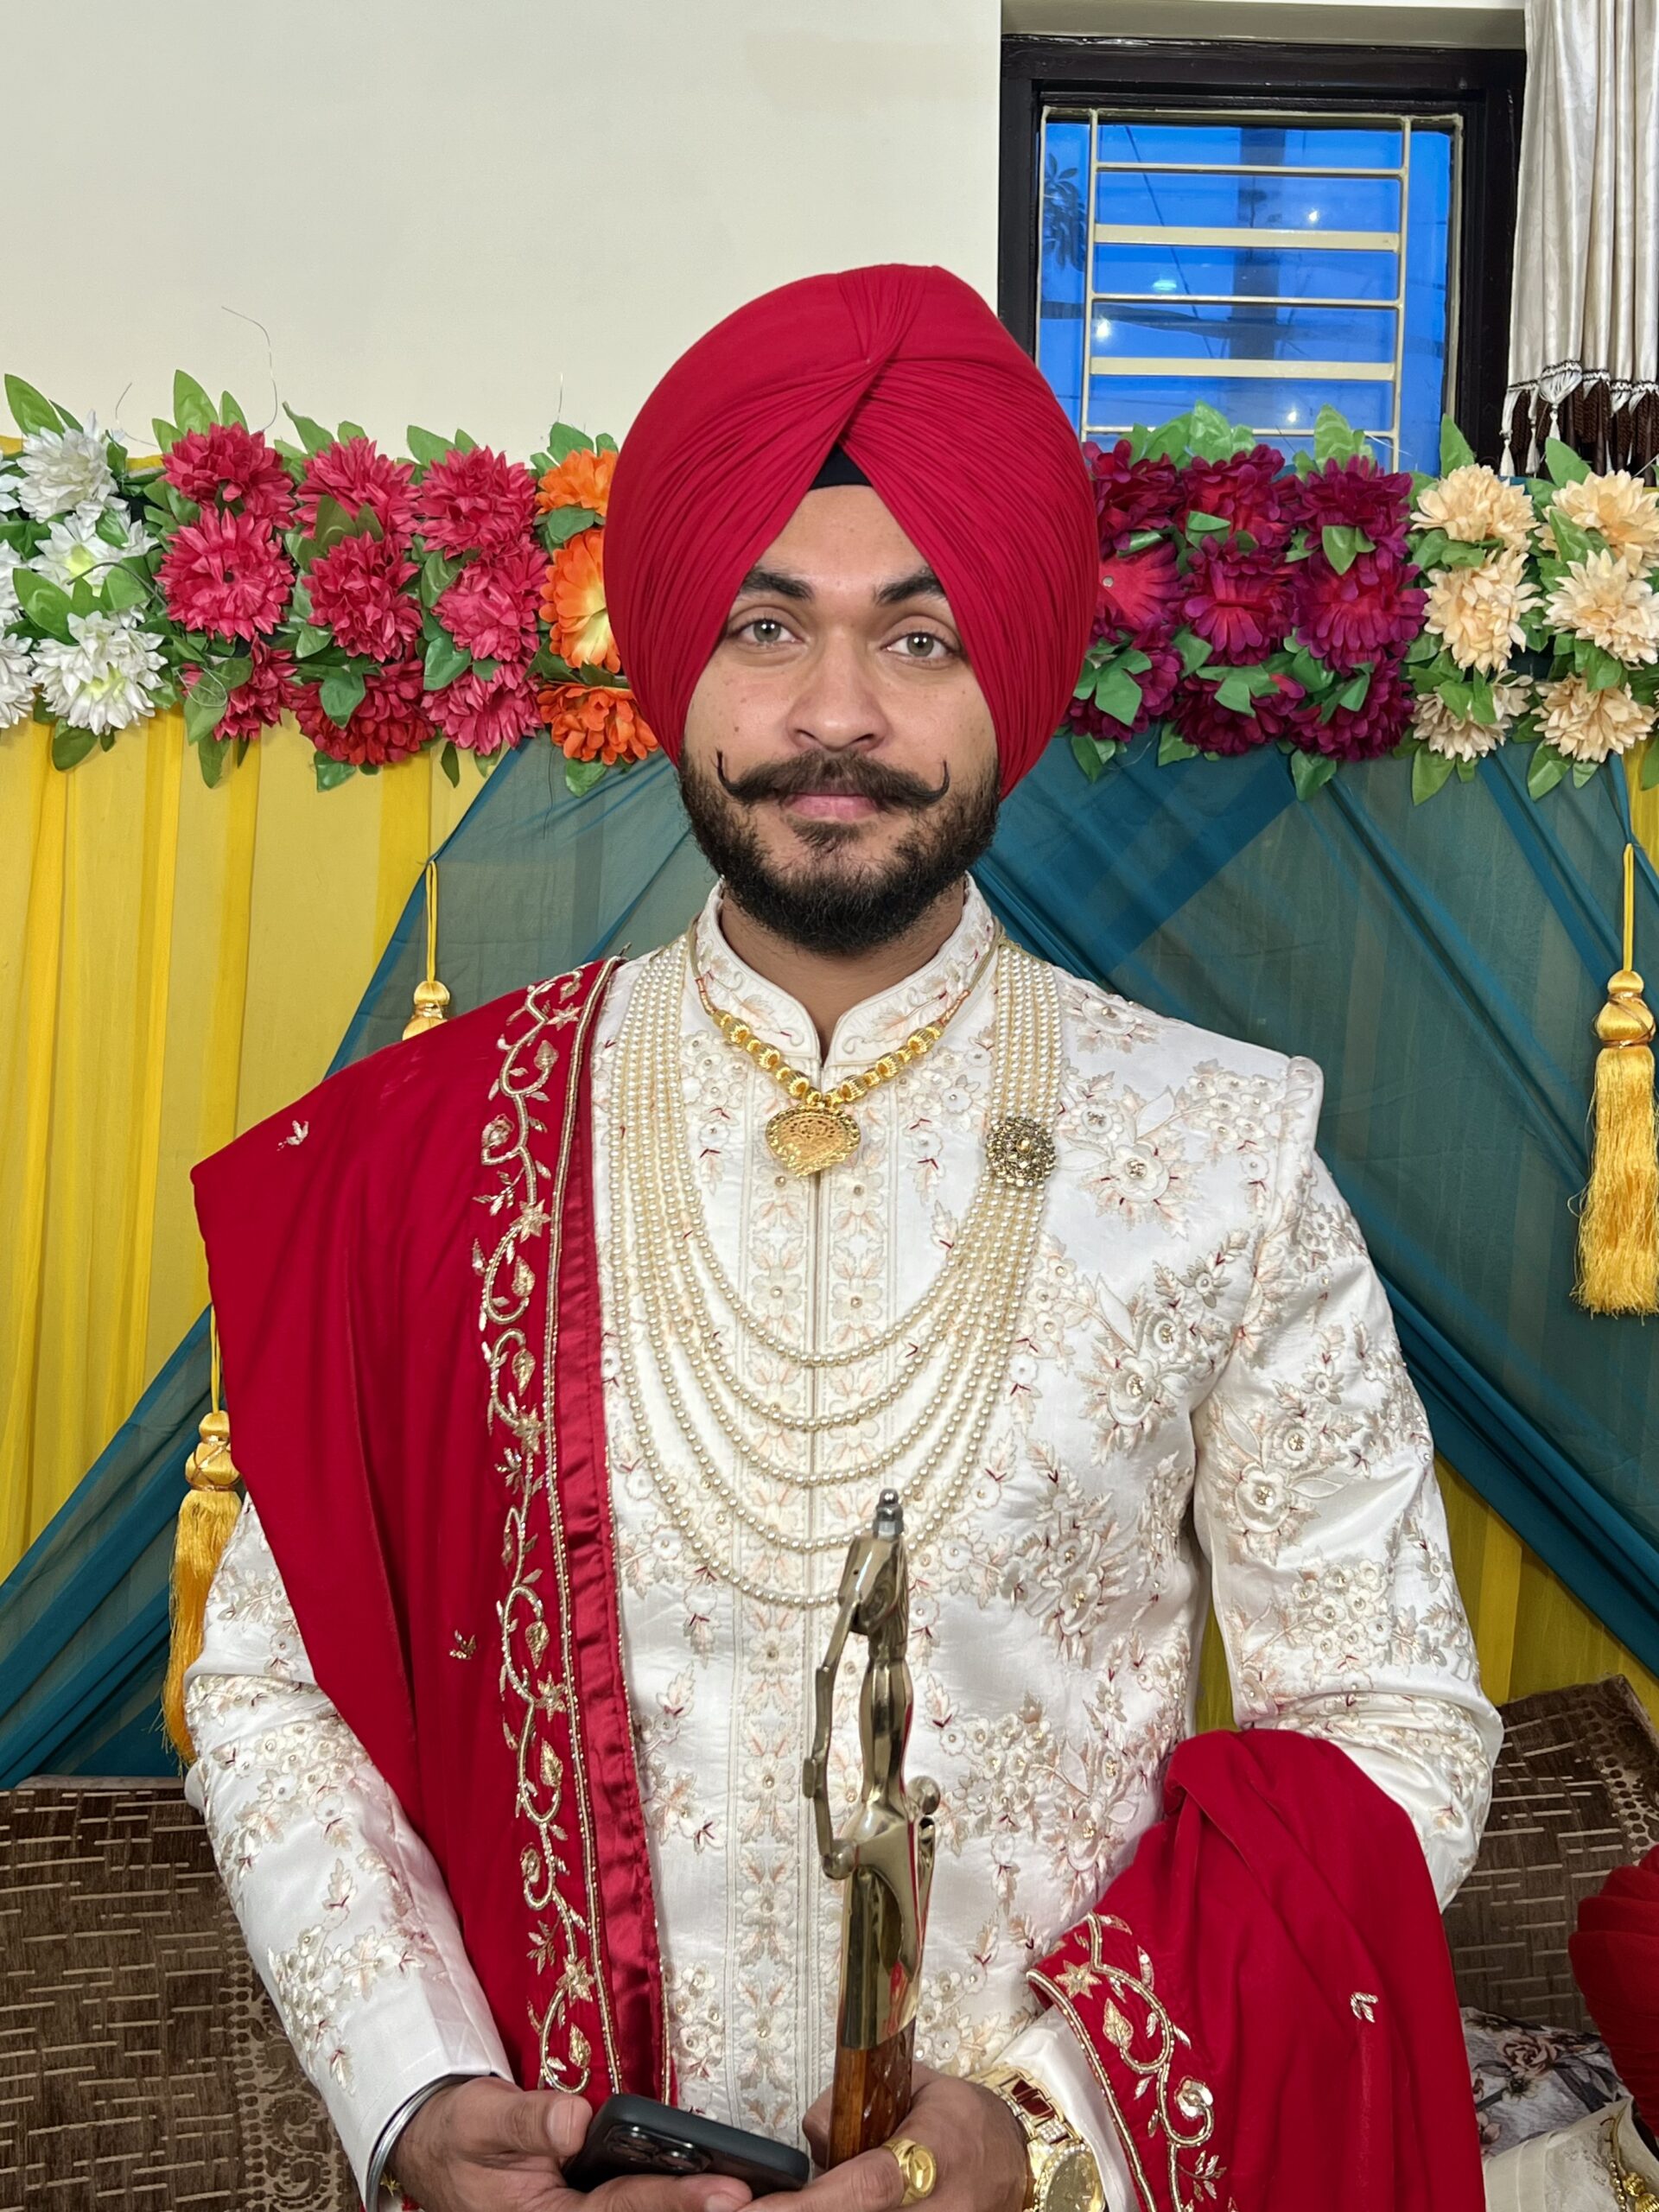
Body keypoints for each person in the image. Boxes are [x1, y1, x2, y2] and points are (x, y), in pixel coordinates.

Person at [184, 264, 1501, 2212]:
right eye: (768, 624)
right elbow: (272, 1687)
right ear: (674, 662)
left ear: (1011, 681)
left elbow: (1388, 1726)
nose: (835, 713)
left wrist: (1047, 2126)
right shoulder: (434, 1153)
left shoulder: (1223, 1159)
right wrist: (419, 2096)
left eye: (920, 635)